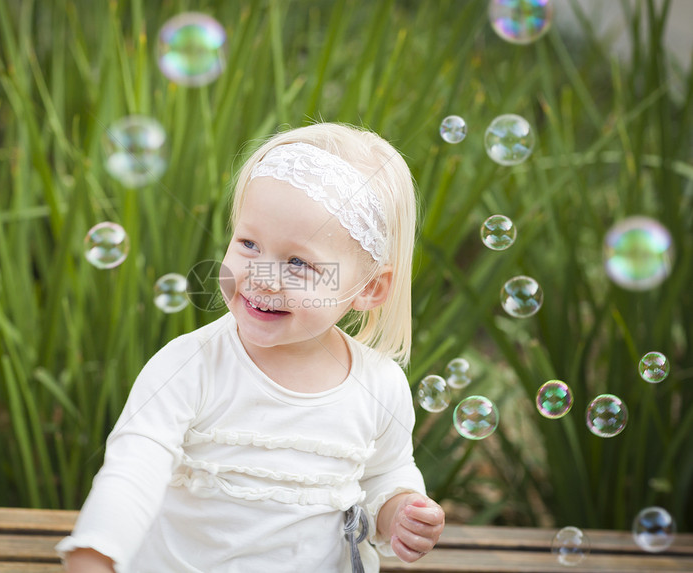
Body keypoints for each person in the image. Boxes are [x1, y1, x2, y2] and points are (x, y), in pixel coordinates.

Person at [57, 123, 445, 572]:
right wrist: (96, 552)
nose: (262, 277)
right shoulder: (191, 366)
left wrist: (399, 511)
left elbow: (386, 473)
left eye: (298, 262)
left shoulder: (378, 384)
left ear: (370, 288)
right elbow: (134, 469)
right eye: (248, 243)